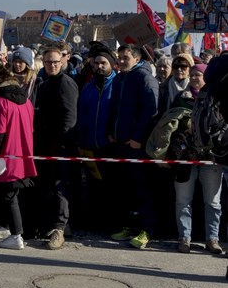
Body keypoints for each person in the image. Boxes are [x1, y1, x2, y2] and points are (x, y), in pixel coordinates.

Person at [105, 44, 159, 249]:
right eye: (119, 57)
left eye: (125, 57)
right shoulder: (119, 78)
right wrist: (111, 132)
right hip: (120, 142)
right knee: (126, 187)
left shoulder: (144, 78)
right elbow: (114, 107)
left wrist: (138, 138)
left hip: (136, 144)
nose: (121, 61)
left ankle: (147, 229)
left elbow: (150, 110)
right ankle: (130, 226)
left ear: (137, 59)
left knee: (142, 188)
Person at [168, 64, 223, 254]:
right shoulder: (180, 99)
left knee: (213, 202)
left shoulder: (217, 99)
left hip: (210, 159)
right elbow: (167, 124)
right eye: (191, 75)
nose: (193, 78)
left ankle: (212, 239)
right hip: (185, 157)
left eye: (198, 74)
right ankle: (184, 238)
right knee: (183, 200)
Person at [0, 64, 37, 250]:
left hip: (7, 153)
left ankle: (16, 236)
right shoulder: (27, 101)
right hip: (23, 153)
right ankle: (11, 229)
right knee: (13, 194)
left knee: (9, 196)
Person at [33, 46, 78, 250]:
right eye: (48, 62)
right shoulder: (44, 84)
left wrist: (61, 141)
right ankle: (54, 225)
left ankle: (60, 228)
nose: (52, 65)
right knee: (49, 185)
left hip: (60, 144)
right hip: (45, 143)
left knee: (60, 187)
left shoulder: (66, 83)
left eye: (55, 62)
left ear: (62, 62)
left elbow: (70, 116)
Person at [75, 49, 117, 231]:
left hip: (110, 146)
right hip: (89, 144)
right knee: (93, 185)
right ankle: (94, 221)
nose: (99, 67)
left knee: (111, 187)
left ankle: (110, 223)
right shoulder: (89, 86)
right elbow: (82, 114)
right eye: (96, 63)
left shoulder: (118, 83)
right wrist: (81, 139)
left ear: (112, 65)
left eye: (103, 63)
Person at [157, 53, 193, 118]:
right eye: (175, 67)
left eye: (183, 66)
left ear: (190, 69)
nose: (179, 69)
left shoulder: (195, 88)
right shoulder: (163, 87)